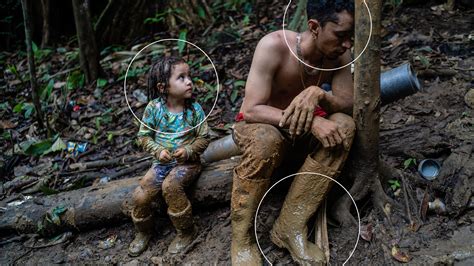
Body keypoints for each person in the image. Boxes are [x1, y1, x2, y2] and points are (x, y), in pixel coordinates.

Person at [231, 1, 356, 265]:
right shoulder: (274, 46)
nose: (347, 45)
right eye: (340, 36)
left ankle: (290, 226)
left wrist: (319, 93)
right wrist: (311, 122)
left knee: (344, 126)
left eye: (351, 37)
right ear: (314, 27)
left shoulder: (340, 55)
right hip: (260, 127)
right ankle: (241, 240)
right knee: (267, 139)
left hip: (297, 136)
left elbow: (346, 101)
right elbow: (251, 110)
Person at [128, 56, 210, 256]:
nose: (189, 81)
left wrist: (189, 150)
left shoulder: (194, 110)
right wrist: (158, 151)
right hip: (161, 164)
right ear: (163, 87)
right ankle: (143, 231)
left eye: (189, 76)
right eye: (181, 78)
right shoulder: (154, 109)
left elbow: (205, 137)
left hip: (188, 164)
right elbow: (144, 136)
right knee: (140, 195)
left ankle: (186, 231)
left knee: (171, 186)